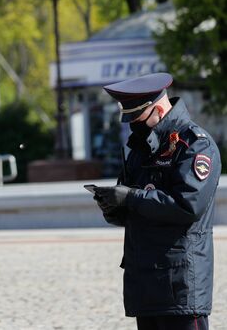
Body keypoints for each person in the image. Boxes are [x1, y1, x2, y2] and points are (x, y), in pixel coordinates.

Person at [93, 73, 221, 330]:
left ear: (158, 109)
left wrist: (130, 197)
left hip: (181, 284)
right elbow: (134, 208)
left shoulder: (195, 145)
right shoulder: (140, 148)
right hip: (145, 284)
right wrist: (113, 206)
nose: (133, 126)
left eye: (137, 118)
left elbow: (187, 205)